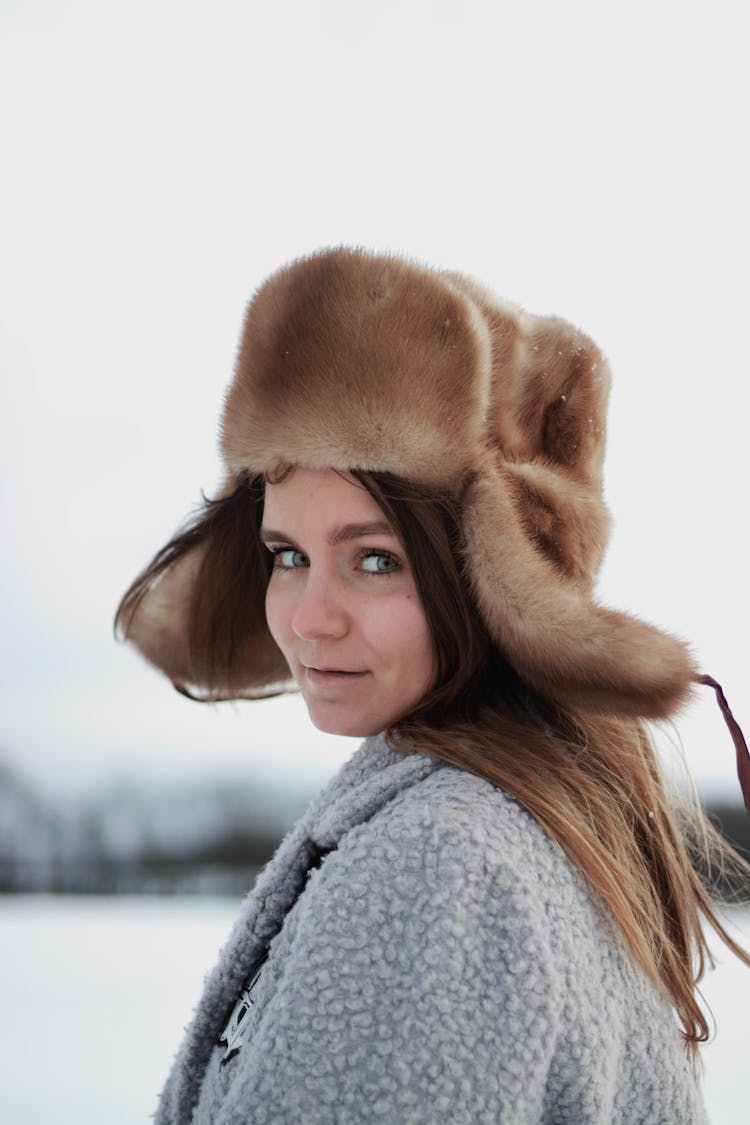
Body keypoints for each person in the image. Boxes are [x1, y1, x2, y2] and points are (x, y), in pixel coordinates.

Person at [116, 247, 749, 1124]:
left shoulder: (439, 865)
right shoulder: (548, 817)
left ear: (491, 581)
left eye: (374, 558)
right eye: (288, 555)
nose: (309, 618)